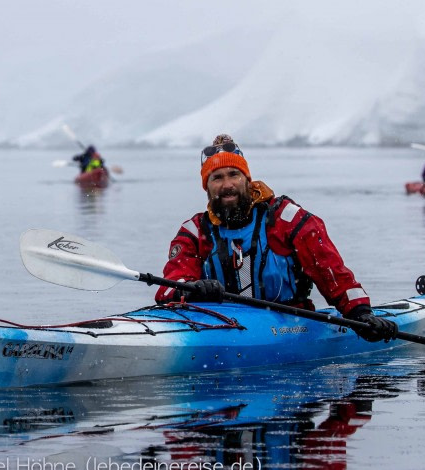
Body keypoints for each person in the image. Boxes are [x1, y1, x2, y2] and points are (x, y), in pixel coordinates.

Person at [155, 134, 398, 343]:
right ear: (206, 187)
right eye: (217, 178)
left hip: (289, 328)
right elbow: (169, 287)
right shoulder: (194, 232)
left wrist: (360, 313)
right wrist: (191, 289)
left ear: (247, 180)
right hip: (217, 329)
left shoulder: (288, 220)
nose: (227, 184)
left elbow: (332, 273)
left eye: (233, 175)